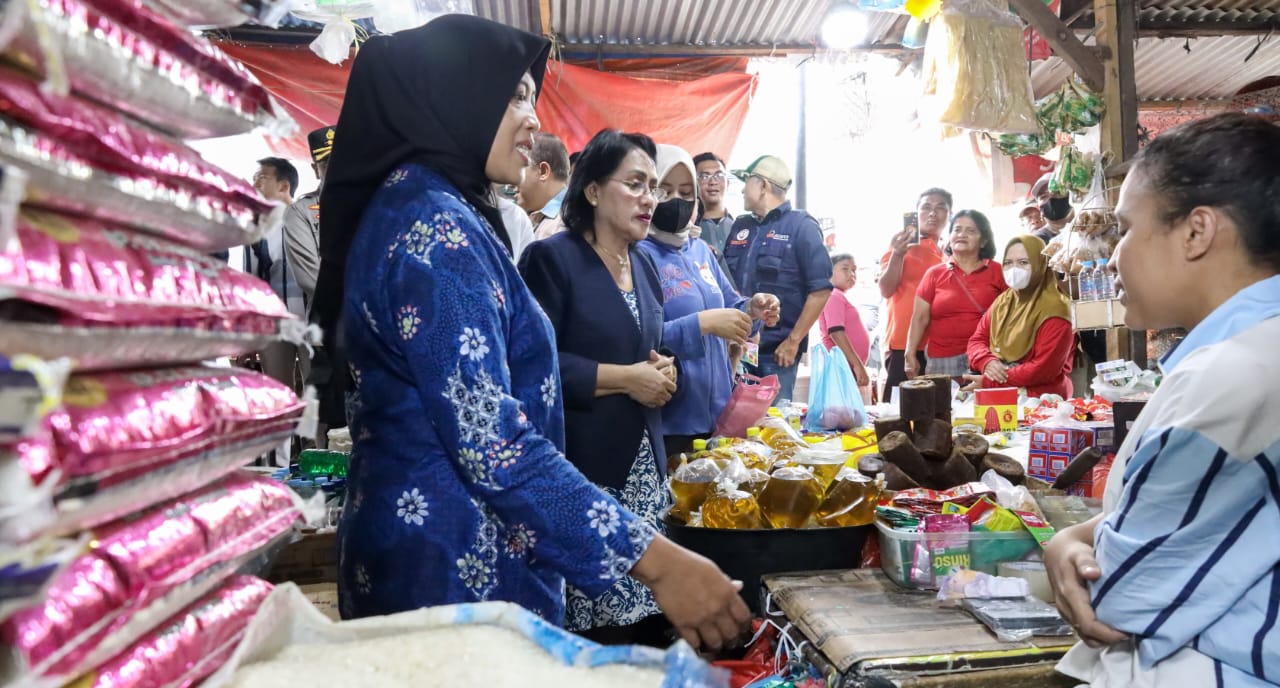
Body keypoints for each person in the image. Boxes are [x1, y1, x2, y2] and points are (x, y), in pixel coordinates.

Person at [317, 17, 748, 651]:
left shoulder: (433, 207)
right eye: (513, 95)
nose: (531, 119)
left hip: (439, 559)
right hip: (455, 574)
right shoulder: (436, 232)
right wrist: (656, 559)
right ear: (450, 94)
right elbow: (493, 441)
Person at [1048, 113, 1280, 687]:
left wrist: (1075, 544)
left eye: (1126, 229)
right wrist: (1075, 535)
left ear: (1197, 233)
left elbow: (1121, 599)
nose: (1113, 255)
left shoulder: (1234, 378)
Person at [520, 129, 745, 646]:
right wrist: (627, 379)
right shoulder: (553, 259)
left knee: (649, 624)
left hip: (645, 466)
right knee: (596, 631)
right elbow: (534, 365)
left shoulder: (642, 262)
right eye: (637, 184)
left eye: (655, 187)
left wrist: (658, 367)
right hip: (586, 471)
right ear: (593, 191)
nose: (650, 198)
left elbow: (642, 342)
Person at [637, 144, 780, 460]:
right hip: (673, 418)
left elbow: (731, 303)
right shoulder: (638, 256)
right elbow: (640, 334)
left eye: (687, 192)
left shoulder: (700, 251)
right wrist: (703, 324)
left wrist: (752, 308)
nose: (677, 200)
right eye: (665, 190)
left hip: (719, 411)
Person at [723, 155, 833, 402]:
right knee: (733, 430)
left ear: (763, 185)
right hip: (735, 352)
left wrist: (793, 341)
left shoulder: (801, 226)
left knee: (773, 428)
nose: (742, 189)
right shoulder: (741, 225)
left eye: (747, 181)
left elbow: (821, 289)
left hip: (776, 355)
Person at [964, 235, 1074, 398]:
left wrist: (991, 382)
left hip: (1041, 398)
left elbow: (1043, 369)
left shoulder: (1057, 309)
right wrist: (987, 361)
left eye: (1023, 262)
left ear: (1040, 264)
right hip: (1002, 389)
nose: (1014, 269)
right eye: (1008, 263)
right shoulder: (1003, 301)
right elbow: (977, 340)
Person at [904, 210, 1006, 380]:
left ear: (984, 241)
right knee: (943, 406)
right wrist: (910, 354)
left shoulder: (999, 272)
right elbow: (919, 318)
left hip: (987, 357)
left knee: (986, 406)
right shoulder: (934, 274)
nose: (962, 235)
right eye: (957, 230)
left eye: (971, 231)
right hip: (942, 361)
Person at [878, 188, 949, 401]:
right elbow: (886, 289)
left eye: (940, 208)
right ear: (916, 213)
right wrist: (898, 254)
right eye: (926, 207)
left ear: (949, 215)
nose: (933, 213)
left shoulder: (947, 253)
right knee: (897, 416)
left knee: (935, 414)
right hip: (902, 344)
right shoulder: (901, 245)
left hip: (937, 347)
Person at [249, 156, 310, 394]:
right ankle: (286, 432)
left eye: (261, 178)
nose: (254, 185)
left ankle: (315, 433)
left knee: (317, 392)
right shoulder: (255, 228)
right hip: (273, 324)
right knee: (278, 391)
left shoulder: (311, 219)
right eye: (254, 179)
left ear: (284, 185)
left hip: (311, 319)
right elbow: (252, 281)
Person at [283, 126, 334, 320]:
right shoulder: (300, 212)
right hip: (329, 328)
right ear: (315, 169)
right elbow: (312, 279)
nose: (338, 168)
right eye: (327, 162)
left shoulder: (375, 204)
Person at [819, 253, 872, 393]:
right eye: (845, 269)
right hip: (842, 367)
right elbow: (836, 332)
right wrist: (857, 365)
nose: (851, 274)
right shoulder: (833, 294)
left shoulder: (838, 295)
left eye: (854, 270)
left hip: (846, 368)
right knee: (842, 412)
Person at [518, 131, 570, 240]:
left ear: (543, 171)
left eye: (519, 169)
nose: (511, 180)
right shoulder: (532, 217)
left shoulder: (566, 225)